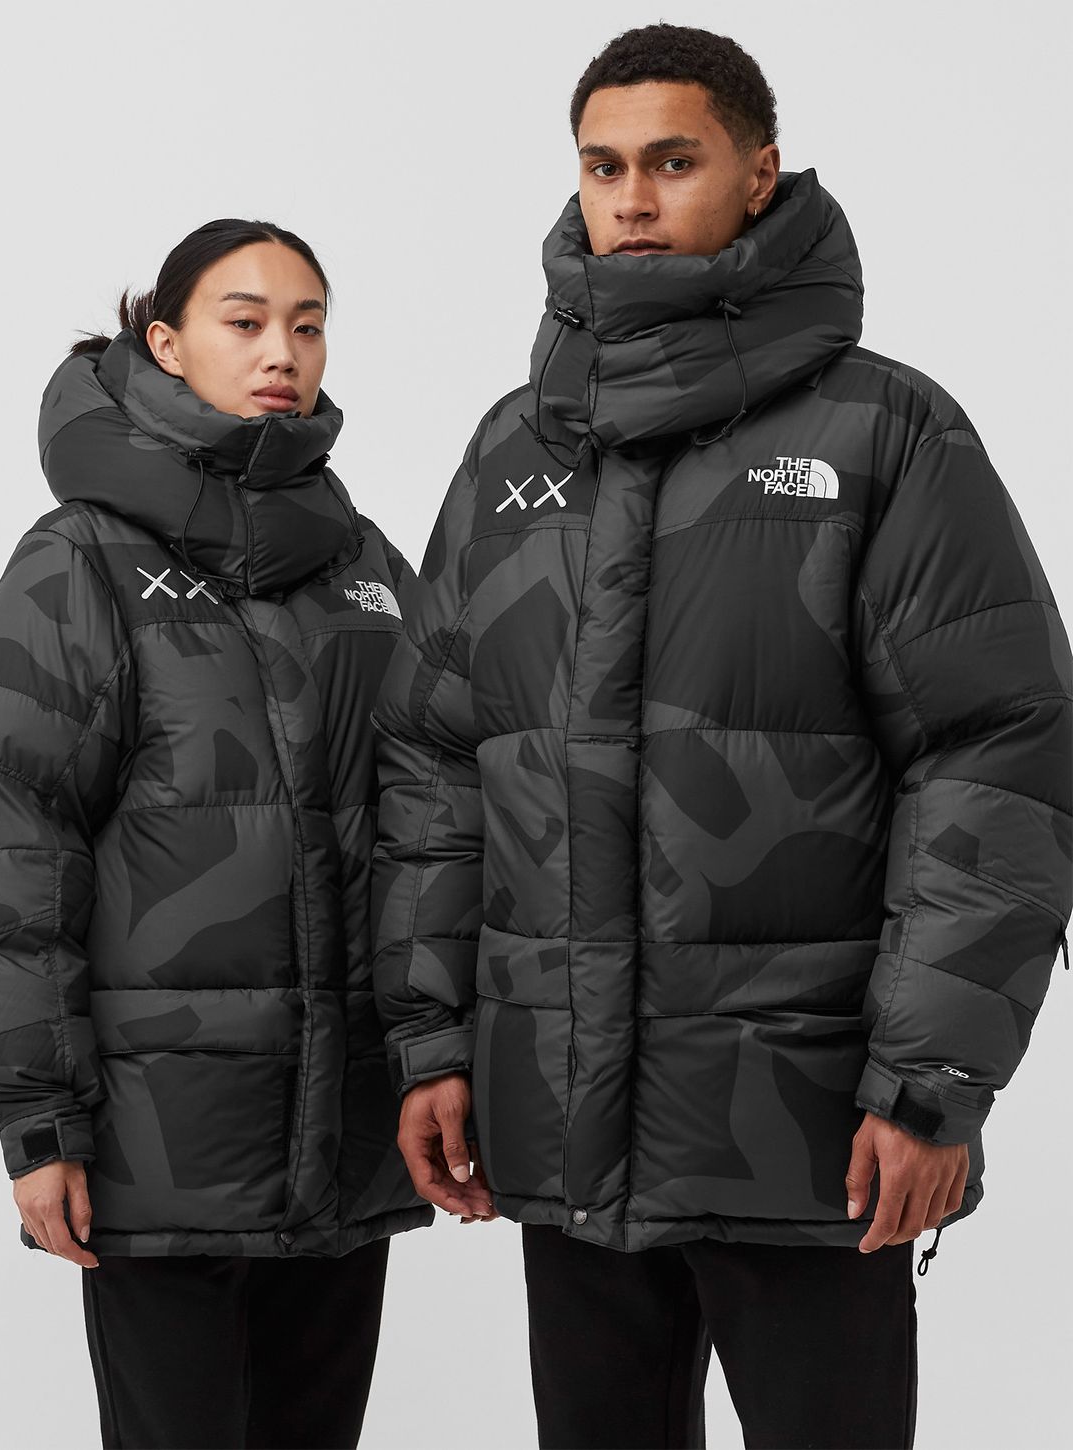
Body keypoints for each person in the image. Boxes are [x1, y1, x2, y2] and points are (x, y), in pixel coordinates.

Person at [371, 24, 1073, 1450]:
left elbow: (994, 755)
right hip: (562, 1122)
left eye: (671, 161)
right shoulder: (514, 450)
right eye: (602, 166)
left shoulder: (884, 433)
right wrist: (433, 1039)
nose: (630, 198)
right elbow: (439, 760)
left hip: (807, 1132)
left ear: (759, 174)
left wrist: (931, 1085)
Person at [0, 218, 431, 1450]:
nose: (281, 352)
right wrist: (38, 1119)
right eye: (243, 322)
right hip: (156, 1147)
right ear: (165, 342)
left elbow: (441, 812)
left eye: (306, 325)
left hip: (346, 1136)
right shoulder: (83, 560)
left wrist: (443, 1057)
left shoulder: (360, 563)